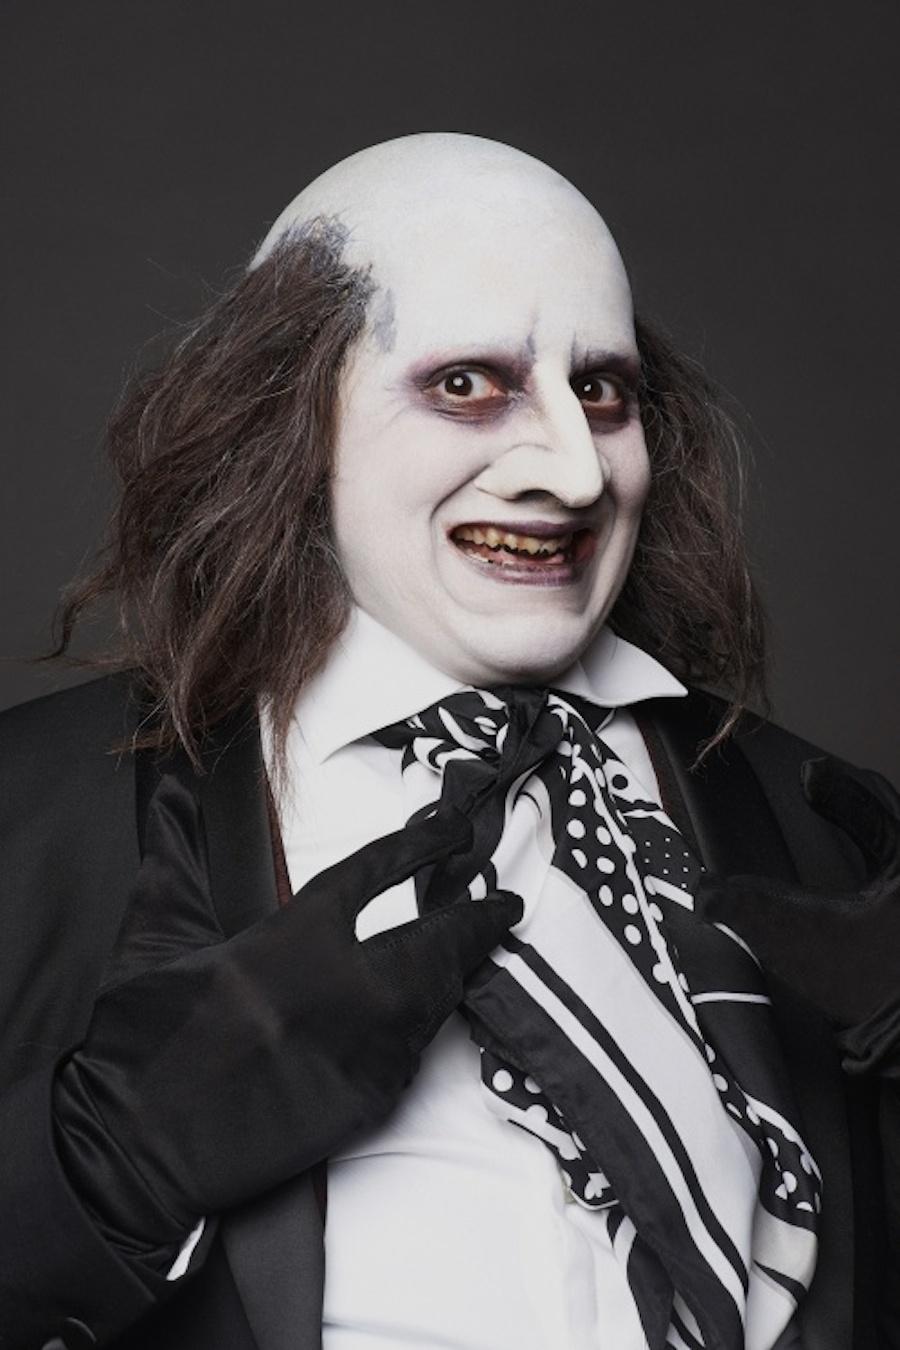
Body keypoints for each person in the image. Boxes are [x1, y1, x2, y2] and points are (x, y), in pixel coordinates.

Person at [0, 133, 896, 1350]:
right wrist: (102, 1168)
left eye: (602, 392)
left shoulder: (819, 823)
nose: (573, 473)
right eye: (468, 383)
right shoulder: (37, 820)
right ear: (290, 414)